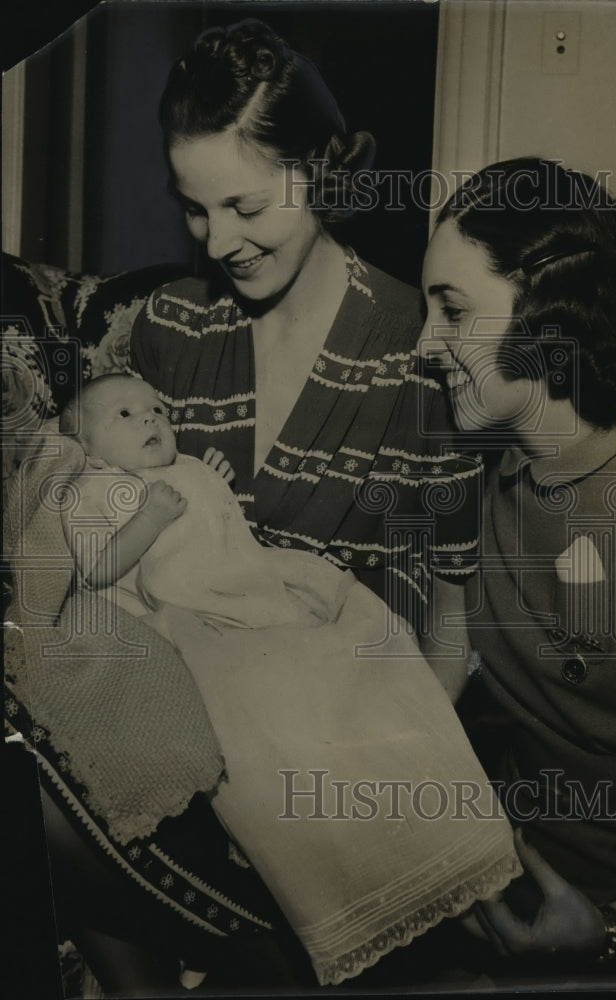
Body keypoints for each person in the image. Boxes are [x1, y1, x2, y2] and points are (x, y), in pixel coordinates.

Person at [19, 18, 483, 995]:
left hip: (329, 744)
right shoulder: (175, 327)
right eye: (195, 210)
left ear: (319, 169)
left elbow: (447, 621)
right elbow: (111, 505)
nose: (219, 241)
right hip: (171, 716)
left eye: (244, 204)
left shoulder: (415, 349)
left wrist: (371, 758)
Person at [57, 371, 520, 986]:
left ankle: (419, 846)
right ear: (83, 447)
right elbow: (96, 569)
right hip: (196, 617)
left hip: (258, 595)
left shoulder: (183, 468)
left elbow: (226, 539)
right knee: (259, 712)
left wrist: (209, 483)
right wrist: (150, 515)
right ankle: (301, 878)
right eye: (124, 414)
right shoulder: (93, 490)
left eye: (158, 410)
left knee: (354, 651)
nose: (151, 419)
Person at [418, 157, 616, 984]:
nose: (423, 344)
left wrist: (613, 927)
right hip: (521, 906)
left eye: (451, 310)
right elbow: (432, 686)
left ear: (548, 311)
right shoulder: (470, 479)